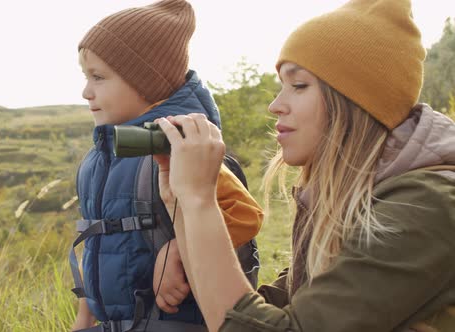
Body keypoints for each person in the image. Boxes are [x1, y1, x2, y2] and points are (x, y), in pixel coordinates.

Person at [153, 0, 455, 331]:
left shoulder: (424, 205)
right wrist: (181, 207)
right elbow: (263, 314)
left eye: (298, 85)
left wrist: (200, 201)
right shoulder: (349, 200)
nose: (275, 105)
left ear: (354, 103)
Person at [70, 0, 263, 331]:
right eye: (86, 77)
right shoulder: (101, 157)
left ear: (146, 82)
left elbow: (246, 215)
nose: (86, 91)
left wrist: (178, 251)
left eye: (99, 77)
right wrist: (84, 318)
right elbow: (97, 243)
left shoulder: (181, 147)